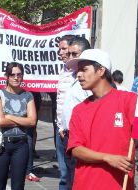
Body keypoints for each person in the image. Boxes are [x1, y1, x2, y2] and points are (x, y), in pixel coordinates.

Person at [66, 49, 137, 190]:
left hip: (118, 184)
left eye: (84, 70)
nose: (79, 75)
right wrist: (107, 158)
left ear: (101, 71)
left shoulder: (128, 100)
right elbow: (75, 149)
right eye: (78, 71)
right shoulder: (79, 110)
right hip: (85, 184)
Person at [0, 62, 37, 190]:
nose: (16, 78)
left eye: (19, 75)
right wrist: (23, 119)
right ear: (7, 76)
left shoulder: (28, 95)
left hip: (21, 145)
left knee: (18, 186)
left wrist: (10, 117)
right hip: (1, 145)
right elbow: (0, 121)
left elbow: (32, 121)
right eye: (12, 75)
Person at [60, 36, 91, 190]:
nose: (70, 57)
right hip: (67, 135)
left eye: (74, 54)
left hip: (81, 139)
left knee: (77, 179)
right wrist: (62, 127)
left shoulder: (90, 81)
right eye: (69, 53)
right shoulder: (70, 76)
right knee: (68, 177)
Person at [55, 34, 76, 190]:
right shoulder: (62, 71)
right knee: (64, 175)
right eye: (59, 48)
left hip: (73, 132)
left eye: (63, 48)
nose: (60, 52)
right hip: (60, 130)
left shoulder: (78, 74)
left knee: (73, 175)